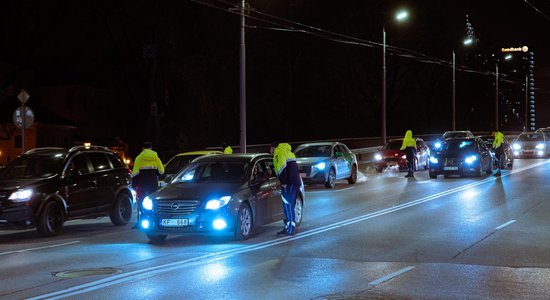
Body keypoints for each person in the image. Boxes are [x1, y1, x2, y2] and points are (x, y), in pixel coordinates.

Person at [270, 142, 302, 236]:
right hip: (295, 182)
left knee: (288, 205)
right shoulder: (288, 152)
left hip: (289, 183)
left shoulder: (279, 153)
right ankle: (288, 226)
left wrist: (283, 182)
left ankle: (291, 228)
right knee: (288, 206)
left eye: (270, 149)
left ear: (273, 148)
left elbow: (282, 168)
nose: (270, 151)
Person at [131, 142, 165, 228]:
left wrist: (134, 182)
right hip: (153, 183)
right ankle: (154, 222)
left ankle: (140, 222)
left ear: (143, 148)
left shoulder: (139, 158)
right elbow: (162, 171)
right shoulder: (156, 158)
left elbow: (134, 173)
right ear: (151, 148)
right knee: (153, 202)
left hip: (142, 184)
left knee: (141, 202)